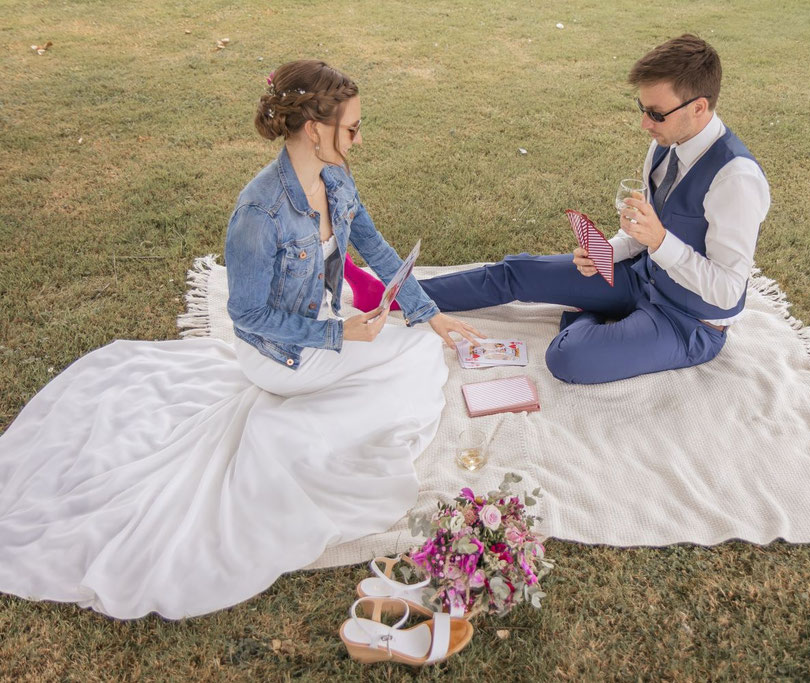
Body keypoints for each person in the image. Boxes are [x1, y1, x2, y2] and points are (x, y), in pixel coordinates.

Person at [0, 60, 475, 620]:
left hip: (316, 334)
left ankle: (323, 414)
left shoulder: (335, 179)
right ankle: (303, 431)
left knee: (418, 347)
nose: (360, 140)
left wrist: (428, 313)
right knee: (401, 367)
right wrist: (336, 331)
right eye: (352, 129)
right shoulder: (258, 211)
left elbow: (373, 245)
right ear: (315, 130)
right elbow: (246, 314)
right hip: (276, 354)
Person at [405, 34, 771, 384]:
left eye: (656, 114)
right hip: (640, 276)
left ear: (699, 107)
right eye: (642, 109)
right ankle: (405, 294)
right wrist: (607, 252)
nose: (645, 124)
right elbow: (640, 235)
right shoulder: (665, 145)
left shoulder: (735, 180)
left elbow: (727, 291)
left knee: (568, 356)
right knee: (517, 272)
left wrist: (659, 242)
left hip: (687, 320)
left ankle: (594, 311)